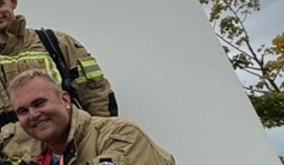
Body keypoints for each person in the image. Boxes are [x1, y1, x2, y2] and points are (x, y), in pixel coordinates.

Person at [0, 0, 118, 165]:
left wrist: (100, 139)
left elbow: (95, 92)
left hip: (71, 151)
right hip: (16, 158)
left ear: (12, 2)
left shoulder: (56, 42)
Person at [10, 70, 174, 165]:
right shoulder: (33, 159)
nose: (33, 115)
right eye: (23, 111)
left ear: (65, 100)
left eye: (39, 103)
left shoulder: (119, 134)